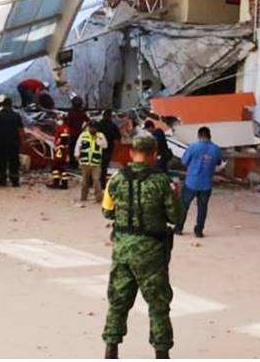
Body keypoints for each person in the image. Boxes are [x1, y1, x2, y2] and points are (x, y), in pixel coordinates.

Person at [101, 133, 182, 360]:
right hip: (152, 252)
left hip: (122, 250)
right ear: (154, 154)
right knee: (158, 304)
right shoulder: (161, 182)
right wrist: (176, 196)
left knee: (118, 301)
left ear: (131, 153)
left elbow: (107, 210)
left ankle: (111, 350)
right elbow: (175, 217)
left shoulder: (116, 179)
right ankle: (161, 353)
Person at [177, 126, 221, 238]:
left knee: (183, 206)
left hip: (191, 182)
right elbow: (218, 162)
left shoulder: (193, 147)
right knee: (202, 208)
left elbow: (184, 161)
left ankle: (178, 228)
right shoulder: (216, 148)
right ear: (209, 135)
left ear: (198, 135)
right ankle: (199, 231)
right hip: (206, 183)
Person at [0, 96, 24, 187]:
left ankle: (2, 180)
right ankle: (15, 181)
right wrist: (22, 142)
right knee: (14, 162)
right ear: (11, 105)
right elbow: (20, 130)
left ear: (2, 105)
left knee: (1, 162)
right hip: (13, 143)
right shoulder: (16, 115)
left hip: (0, 143)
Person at [76, 119, 108, 203]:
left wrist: (98, 140)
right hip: (85, 162)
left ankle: (98, 198)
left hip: (96, 162)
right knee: (84, 181)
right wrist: (76, 156)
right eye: (91, 127)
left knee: (96, 180)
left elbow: (105, 145)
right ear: (89, 127)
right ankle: (83, 197)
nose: (93, 129)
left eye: (94, 128)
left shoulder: (100, 136)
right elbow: (78, 146)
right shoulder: (83, 135)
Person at [97, 109, 121, 190]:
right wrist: (115, 150)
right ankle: (102, 184)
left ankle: (92, 182)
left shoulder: (99, 124)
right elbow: (117, 139)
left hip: (97, 148)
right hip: (108, 149)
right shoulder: (113, 126)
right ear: (110, 117)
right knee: (104, 168)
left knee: (95, 166)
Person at [49, 114, 71, 190]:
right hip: (60, 150)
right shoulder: (61, 127)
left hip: (60, 151)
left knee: (57, 166)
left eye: (58, 119)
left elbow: (64, 141)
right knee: (60, 167)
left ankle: (57, 183)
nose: (57, 121)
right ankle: (62, 183)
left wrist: (59, 150)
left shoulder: (64, 128)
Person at [66, 95, 89, 168]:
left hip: (72, 133)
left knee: (71, 149)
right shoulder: (82, 113)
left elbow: (68, 123)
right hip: (79, 133)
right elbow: (88, 120)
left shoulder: (71, 112)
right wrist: (83, 128)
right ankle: (77, 163)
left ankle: (72, 164)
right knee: (79, 148)